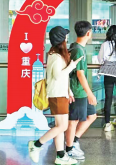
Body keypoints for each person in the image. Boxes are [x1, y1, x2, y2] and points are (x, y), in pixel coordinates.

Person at [28, 26, 83, 165]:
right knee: (62, 127)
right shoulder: (56, 57)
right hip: (57, 95)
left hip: (60, 94)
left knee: (60, 126)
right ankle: (36, 145)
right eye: (65, 36)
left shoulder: (55, 54)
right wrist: (72, 66)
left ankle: (60, 156)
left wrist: (68, 91)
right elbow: (58, 76)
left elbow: (61, 78)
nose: (66, 38)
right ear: (61, 39)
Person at [65, 21, 97, 160]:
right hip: (77, 91)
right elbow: (80, 73)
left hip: (81, 91)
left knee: (92, 115)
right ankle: (69, 148)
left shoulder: (76, 47)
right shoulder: (78, 49)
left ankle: (74, 141)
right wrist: (90, 93)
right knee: (74, 120)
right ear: (88, 33)